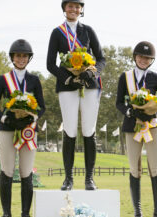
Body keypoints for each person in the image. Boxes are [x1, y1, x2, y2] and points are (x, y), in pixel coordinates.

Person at [47, 0, 106, 191]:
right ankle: (68, 179)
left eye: (77, 6)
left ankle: (89, 178)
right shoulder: (57, 33)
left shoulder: (88, 30)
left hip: (89, 86)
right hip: (67, 86)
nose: (73, 9)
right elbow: (50, 64)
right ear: (64, 9)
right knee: (70, 130)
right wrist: (68, 78)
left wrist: (92, 72)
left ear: (81, 10)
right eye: (70, 6)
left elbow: (101, 58)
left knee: (89, 130)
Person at [0, 39, 45, 217]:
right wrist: (6, 119)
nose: (21, 59)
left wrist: (31, 119)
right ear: (12, 57)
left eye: (24, 56)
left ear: (29, 58)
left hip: (28, 131)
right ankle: (6, 216)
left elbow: (42, 107)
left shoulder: (35, 80)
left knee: (26, 172)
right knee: (7, 171)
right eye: (18, 55)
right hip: (7, 130)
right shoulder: (3, 80)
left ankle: (25, 216)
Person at [116, 41, 157, 217]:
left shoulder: (156, 78)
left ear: (151, 60)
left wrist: (156, 112)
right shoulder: (125, 77)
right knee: (134, 169)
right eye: (140, 56)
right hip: (132, 127)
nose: (143, 60)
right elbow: (118, 103)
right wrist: (130, 112)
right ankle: (137, 214)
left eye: (147, 58)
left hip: (153, 127)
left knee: (155, 168)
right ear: (135, 57)